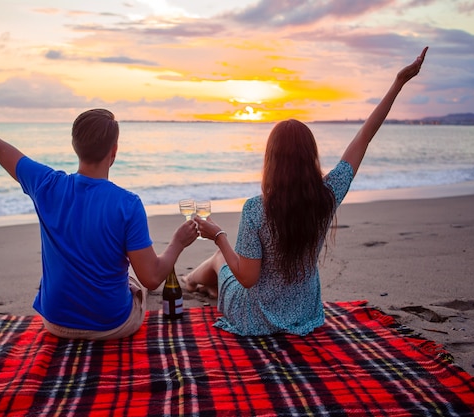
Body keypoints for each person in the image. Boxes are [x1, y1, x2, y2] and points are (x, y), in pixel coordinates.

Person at [0, 75, 199, 340]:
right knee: (136, 285)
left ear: (74, 146)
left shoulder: (46, 184)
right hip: (112, 325)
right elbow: (152, 278)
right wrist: (178, 242)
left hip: (56, 323)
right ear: (114, 151)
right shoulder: (128, 204)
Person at [184, 47, 429, 337]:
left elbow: (248, 280)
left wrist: (218, 236)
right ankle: (205, 285)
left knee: (220, 258)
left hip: (256, 318)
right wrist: (397, 83)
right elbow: (364, 137)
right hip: (305, 315)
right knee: (226, 265)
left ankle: (188, 281)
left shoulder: (256, 208)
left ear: (271, 161)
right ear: (310, 155)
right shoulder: (326, 196)